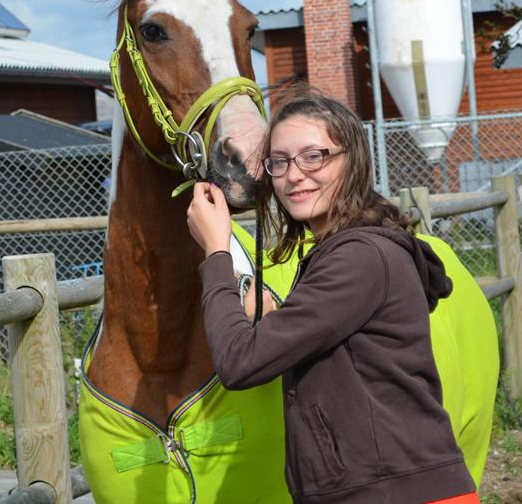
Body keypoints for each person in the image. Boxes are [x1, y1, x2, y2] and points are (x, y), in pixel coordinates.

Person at [187, 91, 479, 504]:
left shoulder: (359, 258)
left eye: (314, 156)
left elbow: (239, 364)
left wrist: (217, 251)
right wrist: (275, 323)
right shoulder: (349, 252)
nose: (294, 175)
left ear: (353, 161)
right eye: (280, 161)